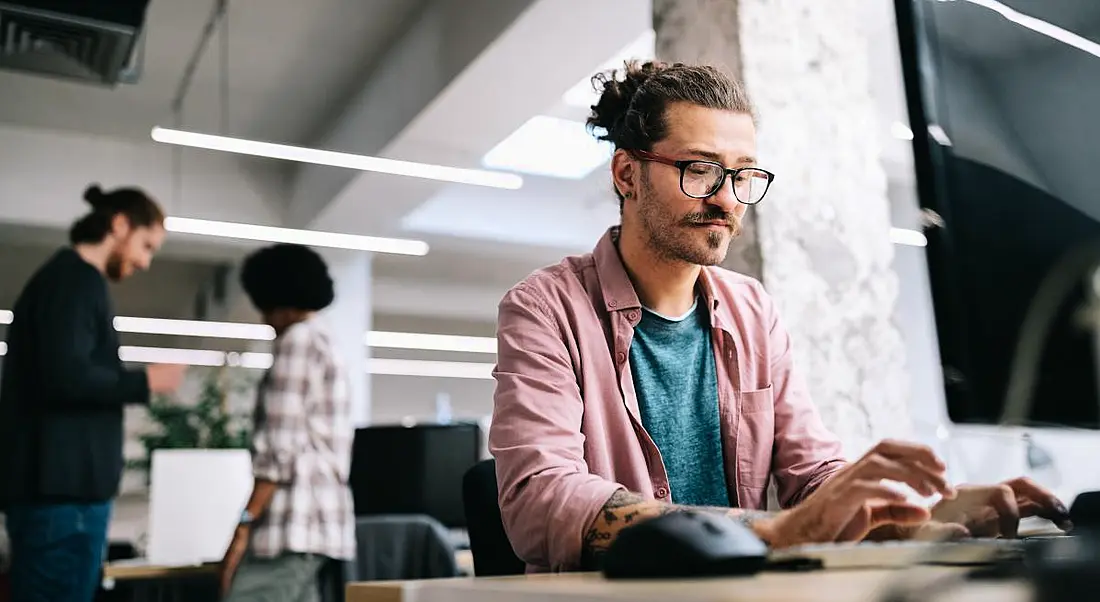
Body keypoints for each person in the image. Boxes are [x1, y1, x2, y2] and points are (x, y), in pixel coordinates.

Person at [488, 61, 1071, 573]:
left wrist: (913, 509)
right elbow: (541, 500)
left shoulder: (752, 309)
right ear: (626, 174)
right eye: (700, 169)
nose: (726, 198)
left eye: (742, 174)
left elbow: (812, 475)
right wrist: (771, 532)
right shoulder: (545, 308)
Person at [0, 185, 186, 601]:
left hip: (61, 500)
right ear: (119, 225)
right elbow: (65, 376)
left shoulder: (67, 282)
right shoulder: (73, 283)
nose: (145, 261)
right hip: (63, 502)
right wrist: (145, 382)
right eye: (145, 245)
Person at [220, 244, 356, 602]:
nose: (263, 318)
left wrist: (244, 526)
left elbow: (278, 447)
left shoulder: (297, 341)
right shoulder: (326, 340)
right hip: (319, 526)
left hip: (291, 524)